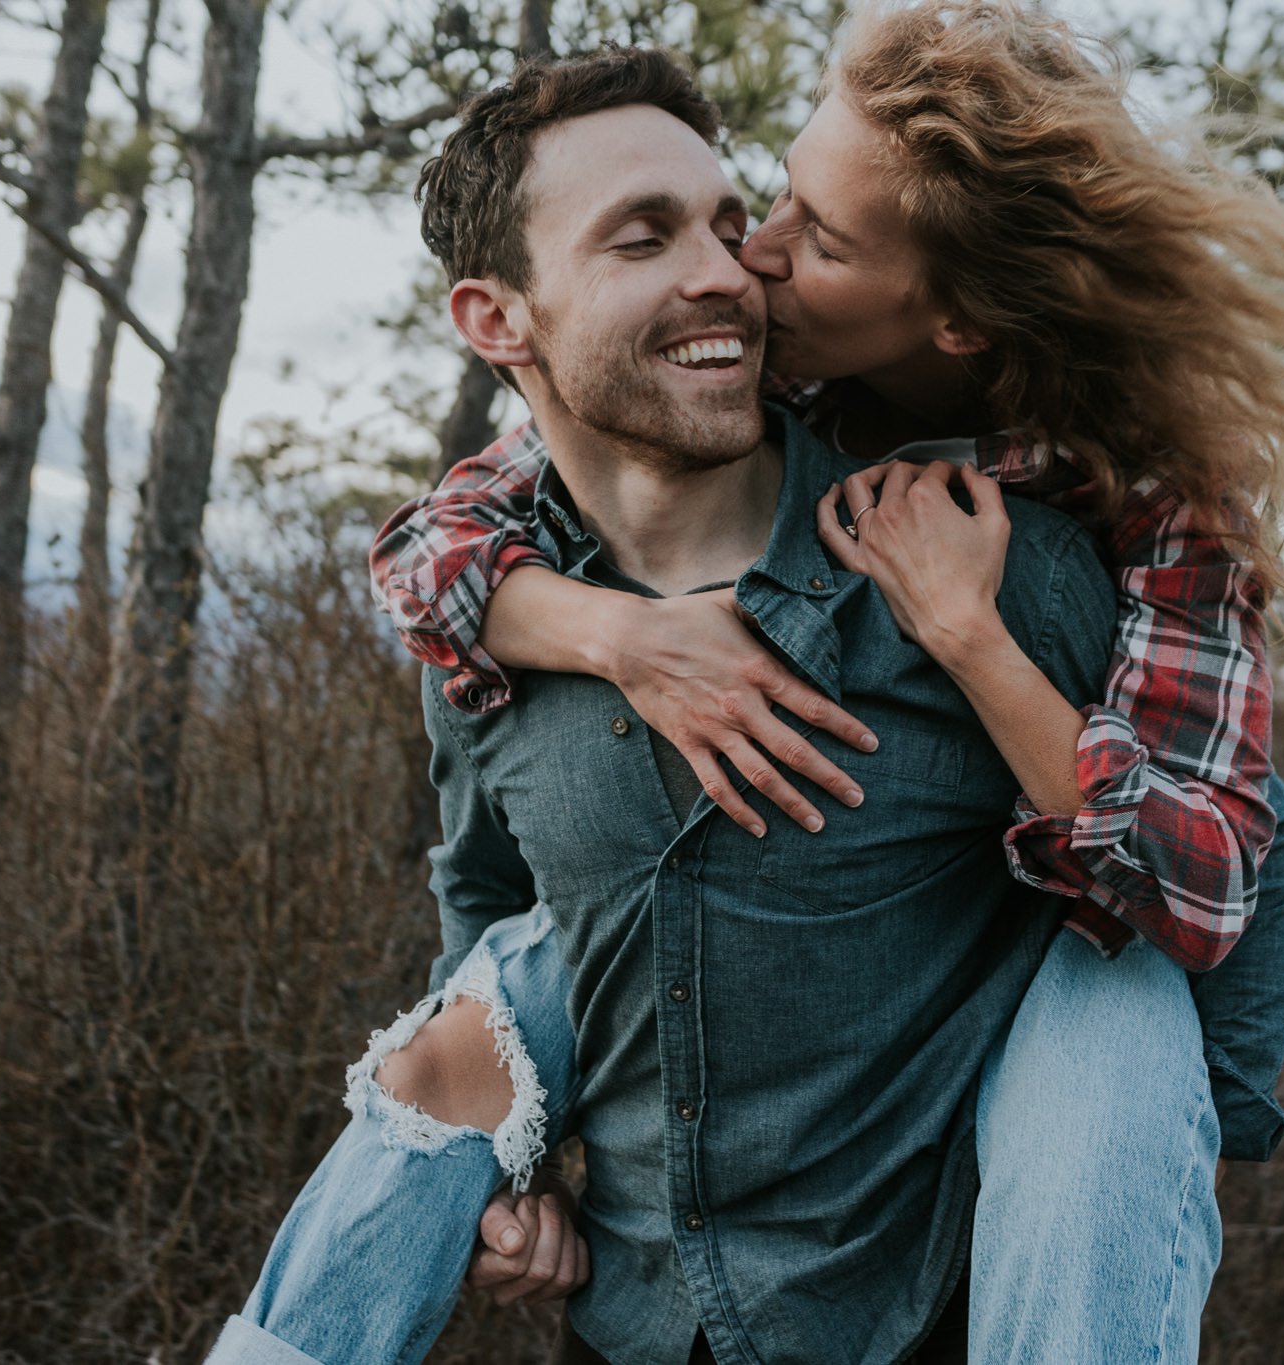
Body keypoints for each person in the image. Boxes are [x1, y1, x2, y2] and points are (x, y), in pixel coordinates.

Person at [372, 0, 1284, 1357]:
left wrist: (966, 633)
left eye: (814, 238)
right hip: (662, 1293)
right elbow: (438, 545)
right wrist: (611, 634)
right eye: (774, 197)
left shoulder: (1125, 517)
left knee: (1125, 1035)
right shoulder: (745, 405)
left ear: (952, 319)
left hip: (1125, 970)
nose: (752, 258)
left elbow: (1210, 880)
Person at [210, 45, 1125, 1365]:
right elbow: (490, 906)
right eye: (644, 237)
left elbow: (1196, 863)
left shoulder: (984, 565)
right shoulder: (484, 635)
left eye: (727, 222)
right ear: (496, 319)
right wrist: (518, 1169)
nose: (725, 271)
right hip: (629, 1325)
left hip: (920, 1319)